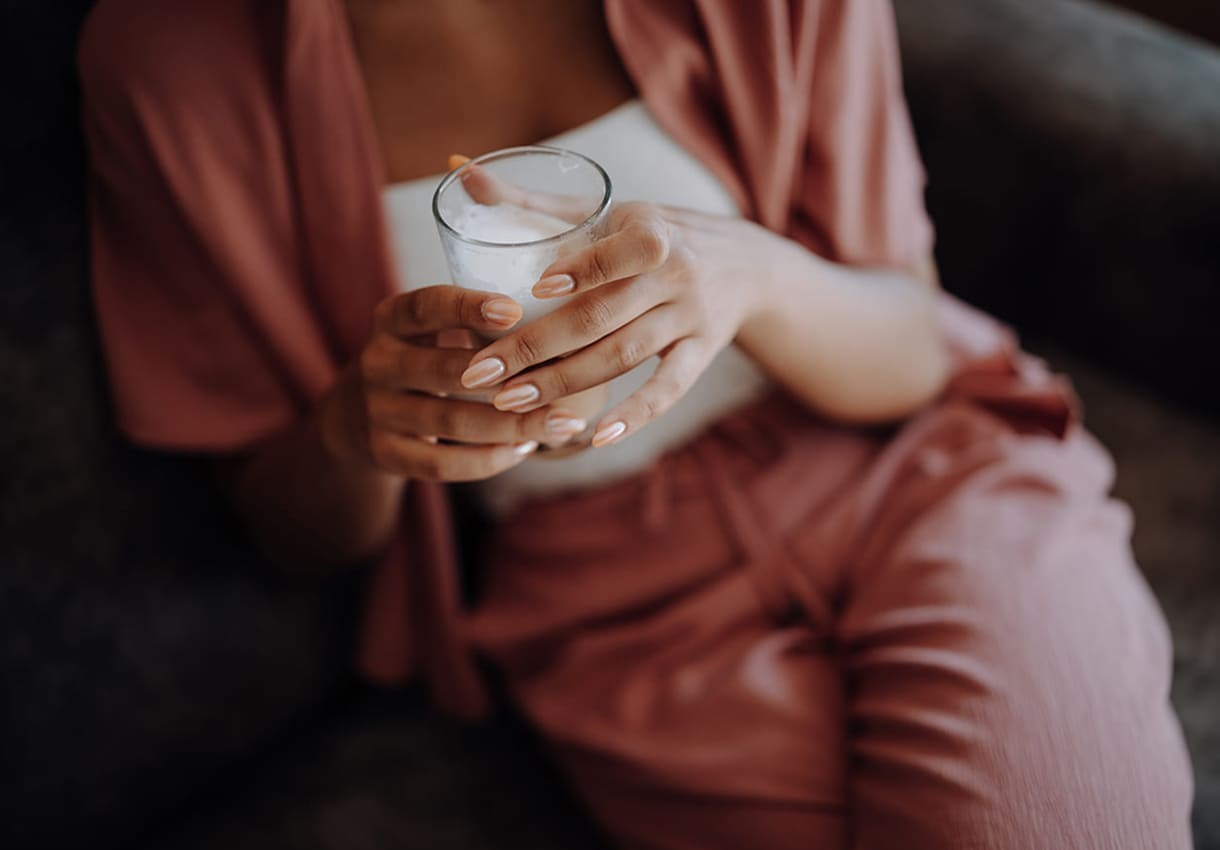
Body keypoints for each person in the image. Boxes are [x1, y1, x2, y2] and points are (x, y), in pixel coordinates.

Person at [78, 0, 1193, 847]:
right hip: (615, 611)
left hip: (915, 477)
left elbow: (908, 355)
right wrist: (354, 429)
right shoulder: (167, 64)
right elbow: (286, 535)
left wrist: (753, 272)